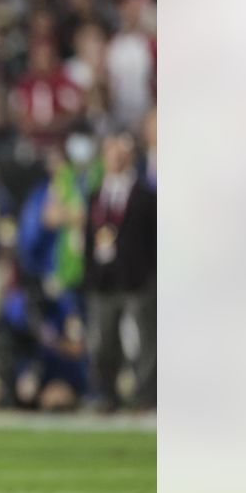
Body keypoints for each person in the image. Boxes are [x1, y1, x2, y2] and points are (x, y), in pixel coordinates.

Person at [83, 132, 157, 410]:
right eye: (110, 150)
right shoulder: (96, 194)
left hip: (137, 276)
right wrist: (89, 273)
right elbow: (90, 238)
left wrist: (152, 274)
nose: (115, 156)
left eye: (121, 151)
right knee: (104, 340)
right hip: (104, 277)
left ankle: (146, 395)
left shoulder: (147, 196)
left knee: (146, 340)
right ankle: (107, 394)